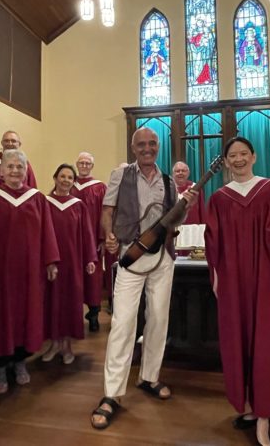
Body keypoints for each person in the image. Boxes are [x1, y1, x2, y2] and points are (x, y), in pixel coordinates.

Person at [90, 127, 196, 430]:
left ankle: (149, 377)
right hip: (131, 255)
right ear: (133, 147)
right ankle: (112, 393)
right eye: (141, 145)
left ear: (158, 146)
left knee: (159, 319)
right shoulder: (119, 175)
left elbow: (175, 219)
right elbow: (107, 210)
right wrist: (109, 235)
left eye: (152, 144)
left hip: (163, 258)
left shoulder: (168, 181)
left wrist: (186, 206)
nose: (147, 149)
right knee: (123, 323)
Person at [204, 137, 270, 445]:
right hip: (234, 280)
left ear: (254, 156)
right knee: (241, 341)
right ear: (226, 161)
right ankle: (254, 407)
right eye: (232, 155)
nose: (238, 159)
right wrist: (217, 277)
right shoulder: (220, 198)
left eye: (243, 154)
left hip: (267, 277)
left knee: (268, 343)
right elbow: (214, 243)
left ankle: (265, 414)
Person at [0, 150, 60, 394]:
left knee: (27, 314)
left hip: (29, 271)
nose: (15, 171)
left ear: (26, 171)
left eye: (20, 167)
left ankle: (20, 361)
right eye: (10, 166)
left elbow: (47, 231)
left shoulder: (37, 198)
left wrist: (50, 261)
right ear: (1, 171)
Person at [43, 164, 97, 364]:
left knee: (69, 303)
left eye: (69, 178)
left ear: (73, 182)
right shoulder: (44, 203)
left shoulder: (78, 205)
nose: (66, 180)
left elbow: (87, 233)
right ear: (55, 178)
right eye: (62, 176)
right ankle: (54, 343)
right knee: (51, 302)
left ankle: (66, 346)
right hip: (51, 263)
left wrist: (90, 258)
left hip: (73, 262)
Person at [70, 151, 106, 332]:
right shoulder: (67, 183)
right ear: (77, 164)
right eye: (81, 163)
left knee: (93, 279)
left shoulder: (99, 188)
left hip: (92, 241)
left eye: (87, 163)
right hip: (71, 241)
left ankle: (93, 314)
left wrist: (102, 238)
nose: (84, 166)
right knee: (73, 277)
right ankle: (72, 315)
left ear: (92, 166)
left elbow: (105, 214)